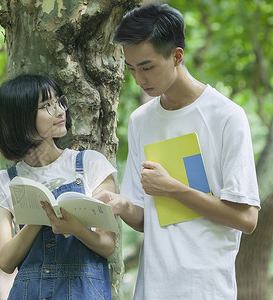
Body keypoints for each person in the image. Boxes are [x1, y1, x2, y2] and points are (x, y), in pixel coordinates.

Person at [94, 4, 260, 299]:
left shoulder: (226, 116)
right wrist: (121, 205)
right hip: (153, 286)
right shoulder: (140, 121)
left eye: (147, 67)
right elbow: (147, 219)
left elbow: (247, 219)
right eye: (131, 68)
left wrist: (174, 189)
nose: (139, 79)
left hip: (206, 287)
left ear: (177, 56)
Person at [0, 74, 117, 299]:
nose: (61, 111)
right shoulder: (2, 183)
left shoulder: (90, 164)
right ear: (20, 118)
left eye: (59, 102)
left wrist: (76, 229)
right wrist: (40, 216)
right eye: (46, 106)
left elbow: (108, 245)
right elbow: (6, 261)